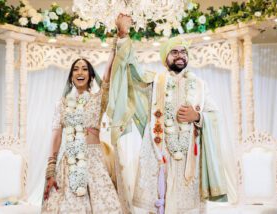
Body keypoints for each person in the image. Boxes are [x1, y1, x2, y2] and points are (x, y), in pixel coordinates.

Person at [107, 14, 227, 214]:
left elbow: (215, 116)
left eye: (183, 52)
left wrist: (197, 117)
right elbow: (131, 71)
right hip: (159, 153)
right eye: (174, 52)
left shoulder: (199, 85)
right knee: (159, 205)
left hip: (190, 157)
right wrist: (123, 37)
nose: (180, 55)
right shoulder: (155, 82)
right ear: (165, 58)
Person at [42, 51, 122, 213]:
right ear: (71, 76)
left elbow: (108, 77)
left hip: (94, 161)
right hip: (70, 163)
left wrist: (115, 47)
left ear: (91, 75)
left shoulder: (98, 99)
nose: (80, 72)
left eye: (85, 69)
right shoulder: (62, 104)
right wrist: (51, 168)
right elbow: (56, 136)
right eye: (76, 69)